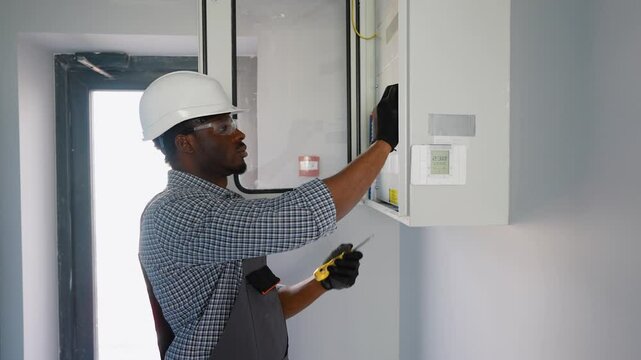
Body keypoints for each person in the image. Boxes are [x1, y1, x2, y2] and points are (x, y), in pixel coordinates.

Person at [138, 71, 398, 360]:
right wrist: (384, 143)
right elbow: (302, 217)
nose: (239, 133)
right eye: (223, 127)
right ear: (185, 143)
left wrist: (323, 280)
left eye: (232, 122)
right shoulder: (175, 213)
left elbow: (263, 307)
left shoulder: (224, 207)